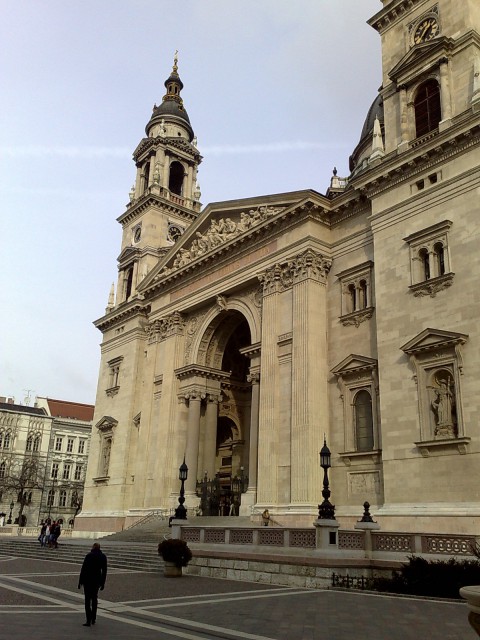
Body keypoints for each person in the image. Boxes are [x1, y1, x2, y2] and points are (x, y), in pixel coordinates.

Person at [78, 542, 108, 627]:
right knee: (94, 599)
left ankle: (88, 619)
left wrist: (80, 581)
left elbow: (83, 569)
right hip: (96, 581)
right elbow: (104, 571)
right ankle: (93, 618)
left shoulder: (89, 555)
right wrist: (102, 583)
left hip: (87, 581)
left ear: (93, 547)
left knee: (87, 601)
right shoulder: (103, 557)